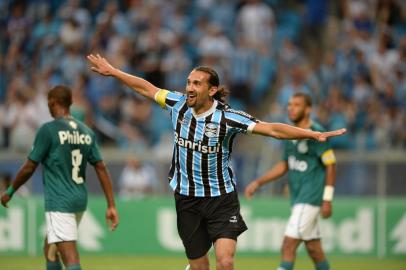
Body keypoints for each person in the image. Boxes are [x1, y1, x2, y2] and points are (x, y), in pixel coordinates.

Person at [87, 54, 345, 270]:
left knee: (225, 262)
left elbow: (273, 129)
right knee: (200, 266)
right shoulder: (177, 104)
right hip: (186, 199)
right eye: (188, 82)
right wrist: (113, 72)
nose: (189, 87)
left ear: (211, 90)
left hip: (221, 198)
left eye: (196, 83)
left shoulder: (228, 118)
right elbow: (146, 88)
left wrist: (311, 133)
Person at [1, 85, 119, 270]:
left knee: (70, 256)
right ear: (70, 104)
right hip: (79, 199)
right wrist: (111, 204)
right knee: (50, 248)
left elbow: (30, 166)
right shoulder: (86, 132)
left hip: (60, 201)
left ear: (52, 102)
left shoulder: (48, 130)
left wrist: (10, 190)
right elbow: (101, 167)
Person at [245, 93, 336, 270]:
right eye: (289, 104)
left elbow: (331, 165)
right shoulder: (290, 134)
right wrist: (259, 182)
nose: (291, 108)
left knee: (288, 245)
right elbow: (284, 165)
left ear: (308, 109)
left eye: (296, 105)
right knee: (314, 249)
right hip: (297, 198)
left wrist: (327, 198)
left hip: (309, 197)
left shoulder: (317, 133)